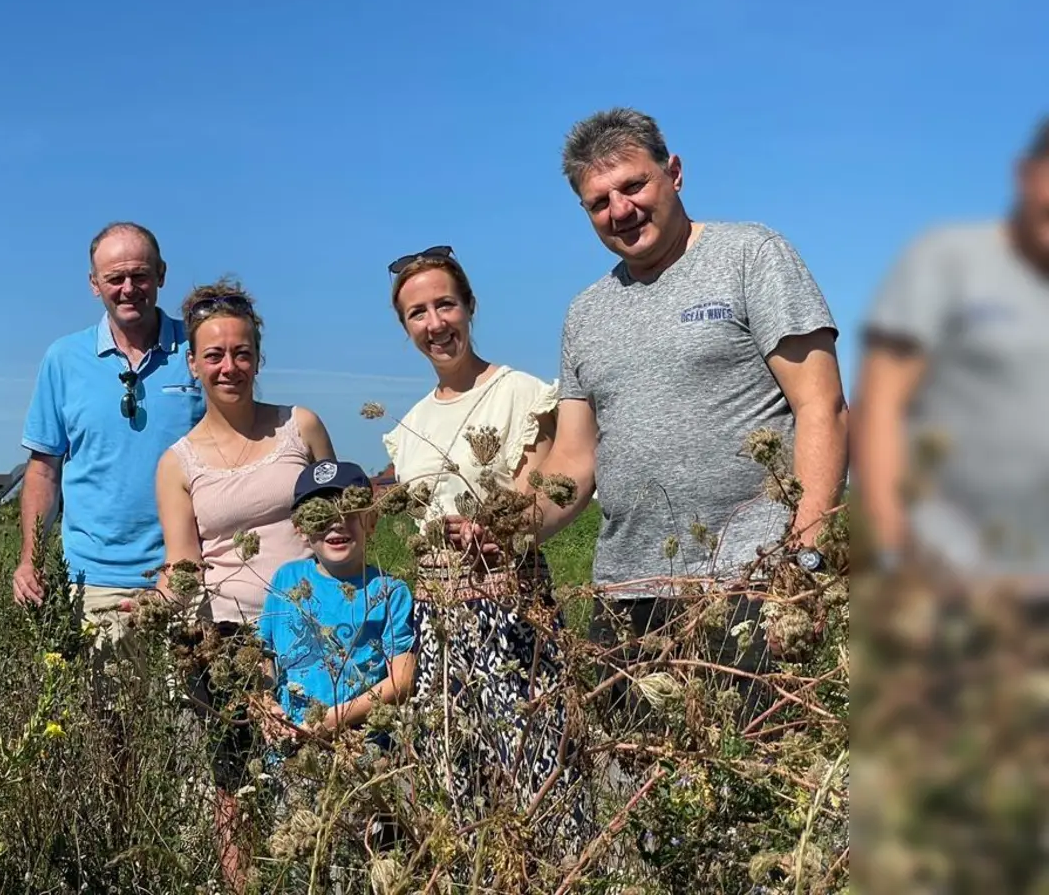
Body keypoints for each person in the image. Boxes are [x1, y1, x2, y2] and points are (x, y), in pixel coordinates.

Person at [472, 107, 850, 719]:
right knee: (636, 775)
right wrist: (503, 530)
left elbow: (822, 407)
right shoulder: (586, 313)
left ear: (673, 173)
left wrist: (804, 565)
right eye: (599, 202)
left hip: (752, 585)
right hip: (628, 599)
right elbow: (573, 460)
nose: (620, 210)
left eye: (633, 185)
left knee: (754, 772)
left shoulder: (751, 256)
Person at [378, 245, 583, 824]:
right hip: (437, 621)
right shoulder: (408, 427)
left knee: (541, 783)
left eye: (445, 305)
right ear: (406, 328)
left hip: (512, 608)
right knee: (456, 793)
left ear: (470, 306)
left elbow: (537, 494)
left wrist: (495, 529)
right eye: (418, 313)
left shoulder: (521, 393)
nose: (435, 323)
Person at [153, 277, 335, 891]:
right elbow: (183, 565)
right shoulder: (177, 463)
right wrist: (156, 602)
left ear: (258, 357)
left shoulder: (300, 427)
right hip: (230, 643)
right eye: (214, 355)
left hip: (315, 628)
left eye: (241, 353)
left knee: (321, 772)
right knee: (233, 785)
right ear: (193, 364)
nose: (228, 367)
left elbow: (345, 517)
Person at [854, 116, 1049, 594]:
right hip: (955, 585)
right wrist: (893, 554)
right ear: (1026, 175)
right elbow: (879, 405)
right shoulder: (948, 260)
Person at [15, 221, 206, 673]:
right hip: (92, 584)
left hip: (188, 577)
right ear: (93, 284)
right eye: (115, 278)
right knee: (101, 716)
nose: (128, 289)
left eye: (140, 275)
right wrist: (30, 559)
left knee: (190, 715)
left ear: (161, 274)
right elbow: (44, 470)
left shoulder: (199, 350)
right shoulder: (64, 359)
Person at [256, 458, 417, 751]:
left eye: (350, 511)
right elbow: (262, 651)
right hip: (288, 741)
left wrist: (333, 720)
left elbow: (402, 680)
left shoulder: (390, 591)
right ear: (301, 528)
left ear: (371, 520)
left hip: (361, 745)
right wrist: (266, 703)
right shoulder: (285, 578)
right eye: (320, 514)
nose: (336, 522)